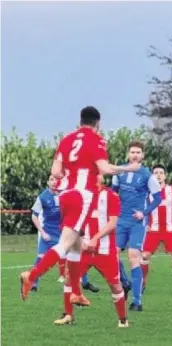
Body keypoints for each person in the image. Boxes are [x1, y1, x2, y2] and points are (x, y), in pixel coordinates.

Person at [20, 106, 140, 302]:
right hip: (82, 196)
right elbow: (104, 168)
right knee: (66, 243)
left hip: (65, 195)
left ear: (81, 120)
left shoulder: (66, 139)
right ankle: (31, 276)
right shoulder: (97, 139)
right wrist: (128, 168)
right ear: (97, 123)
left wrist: (72, 172)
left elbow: (56, 172)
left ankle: (75, 292)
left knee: (76, 245)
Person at [54, 175, 128, 328]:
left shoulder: (111, 196)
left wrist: (95, 238)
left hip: (105, 250)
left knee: (115, 285)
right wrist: (80, 240)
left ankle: (123, 320)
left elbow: (113, 222)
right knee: (69, 277)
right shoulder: (79, 195)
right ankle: (68, 315)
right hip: (83, 250)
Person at [112, 141, 161, 311]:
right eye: (132, 152)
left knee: (134, 256)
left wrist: (144, 212)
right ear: (128, 154)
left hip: (137, 222)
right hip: (120, 220)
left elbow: (158, 198)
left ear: (142, 155)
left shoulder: (148, 175)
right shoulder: (119, 172)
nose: (135, 155)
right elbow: (113, 193)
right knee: (113, 255)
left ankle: (137, 301)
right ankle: (125, 281)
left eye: (138, 152)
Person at [31, 175, 99, 293]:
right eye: (51, 179)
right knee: (41, 258)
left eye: (56, 179)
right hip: (49, 233)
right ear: (47, 182)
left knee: (75, 257)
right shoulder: (42, 197)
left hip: (64, 231)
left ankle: (85, 282)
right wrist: (43, 232)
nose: (54, 182)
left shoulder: (66, 194)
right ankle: (33, 283)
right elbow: (34, 216)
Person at [141, 164, 172, 293]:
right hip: (153, 230)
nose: (158, 175)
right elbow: (141, 208)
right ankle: (142, 282)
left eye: (161, 172)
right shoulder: (147, 191)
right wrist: (144, 224)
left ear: (165, 176)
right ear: (152, 176)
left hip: (169, 230)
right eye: (155, 172)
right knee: (144, 256)